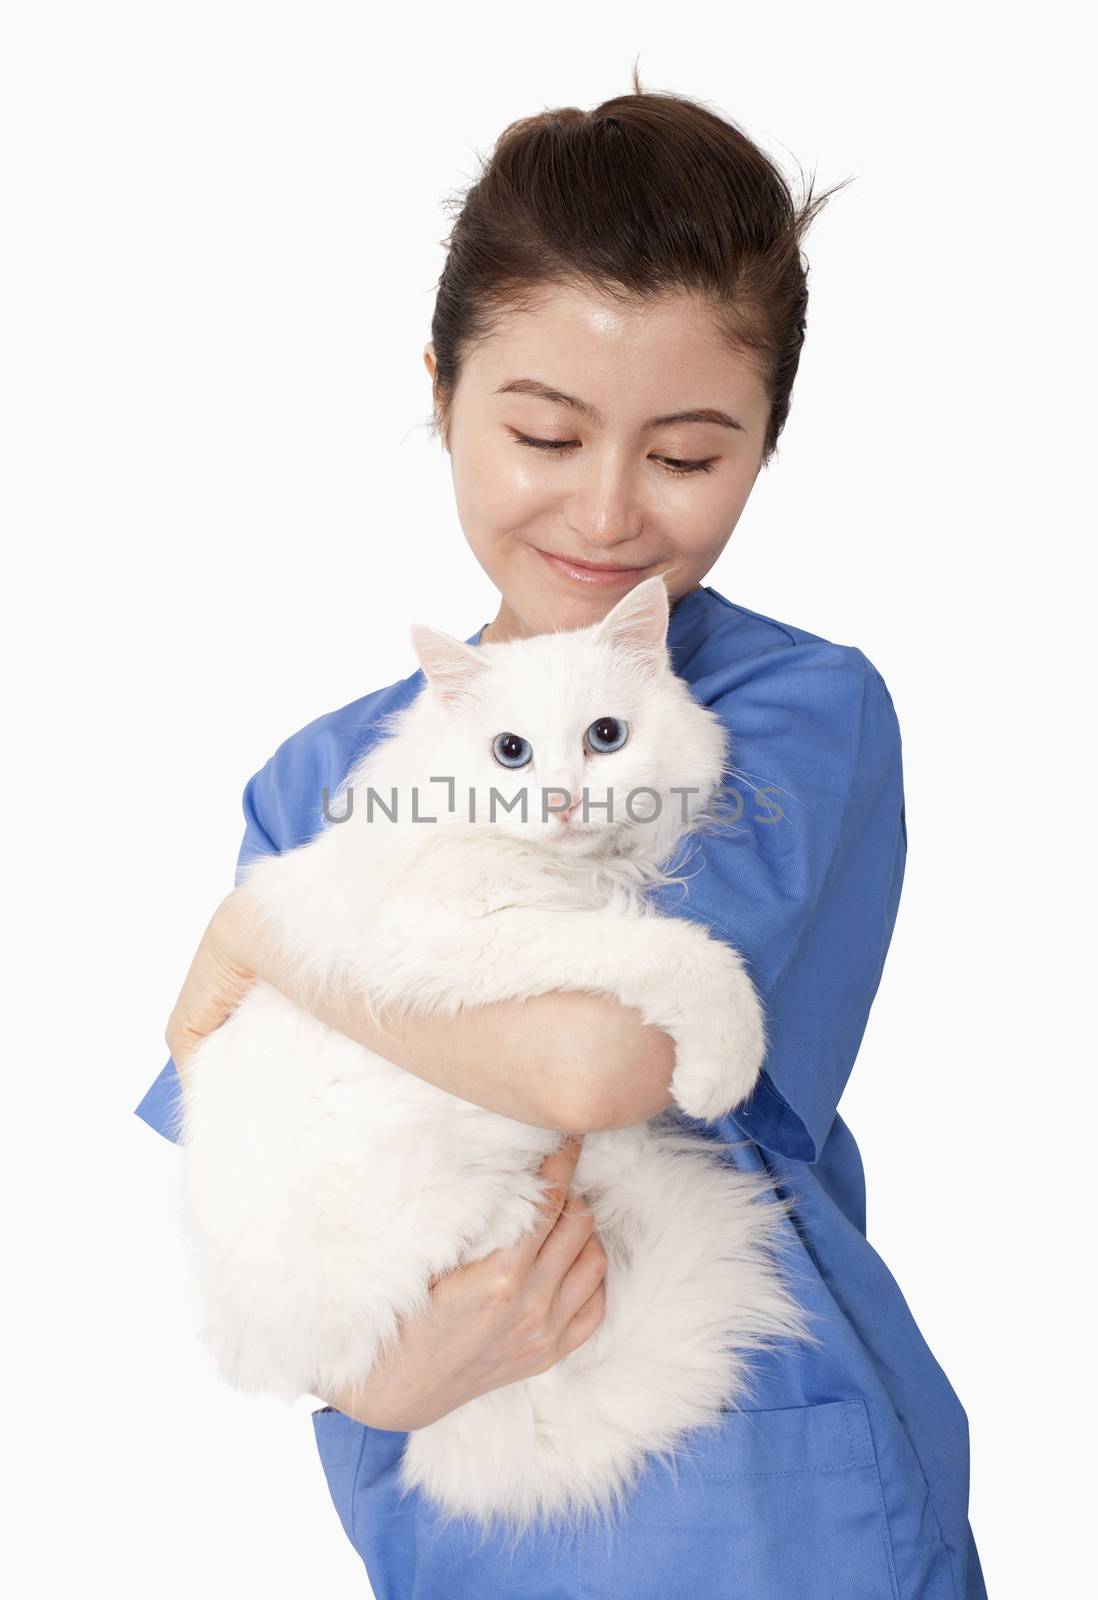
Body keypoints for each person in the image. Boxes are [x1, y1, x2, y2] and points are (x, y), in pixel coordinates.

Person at [134, 79, 988, 1599]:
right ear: (442, 390)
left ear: (767, 442)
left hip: (767, 1505)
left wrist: (267, 927)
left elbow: (597, 1063)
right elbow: (258, 1183)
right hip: (453, 1485)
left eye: (683, 456)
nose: (604, 514)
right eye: (542, 430)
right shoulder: (317, 773)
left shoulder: (795, 712)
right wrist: (381, 1389)